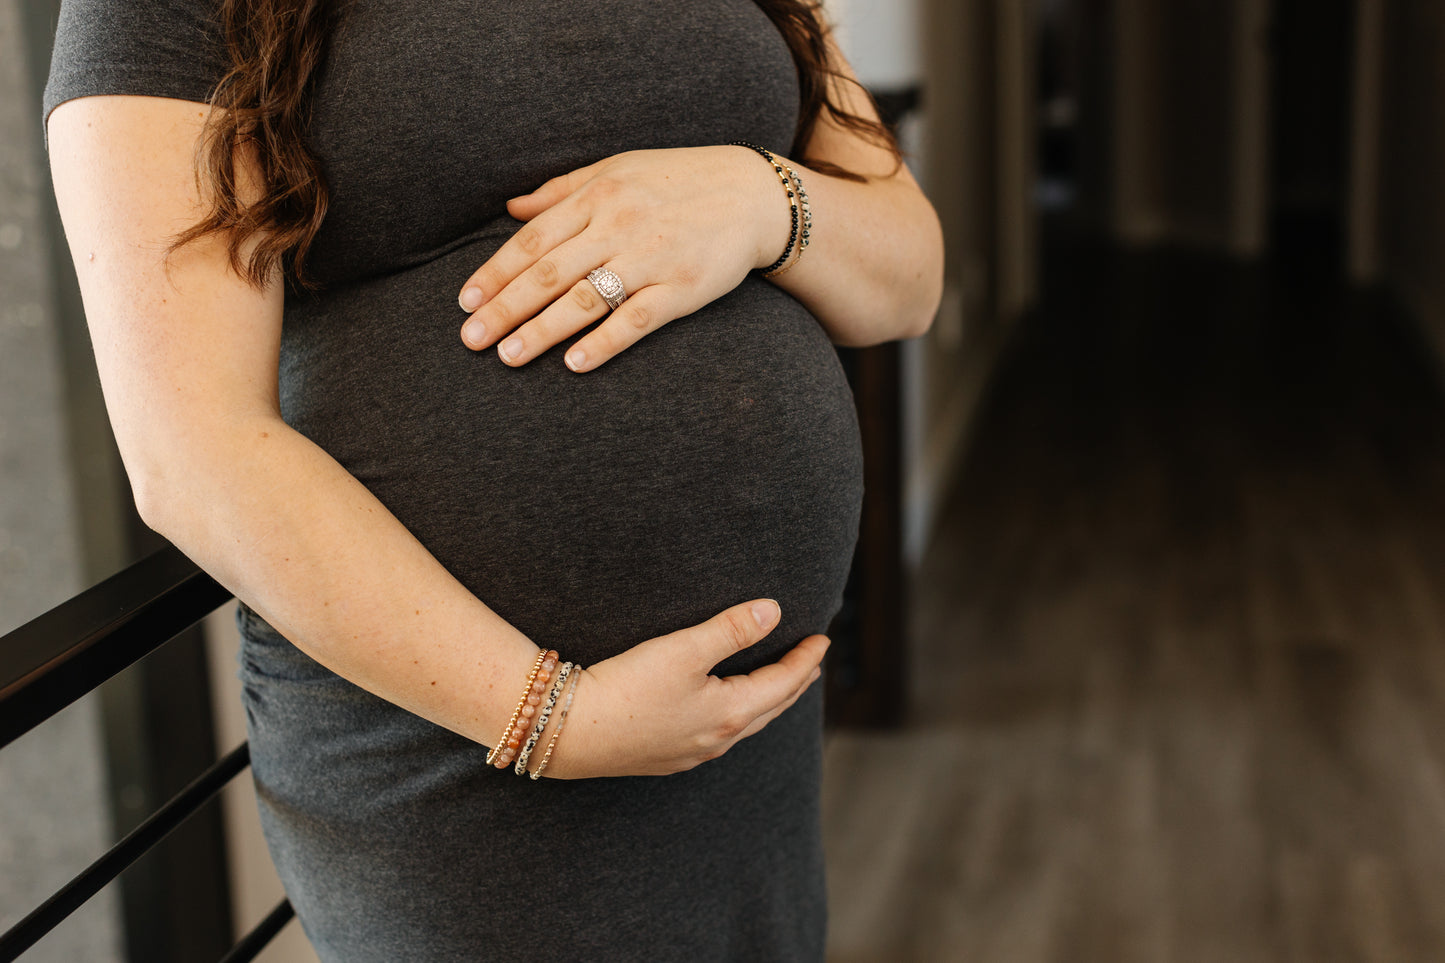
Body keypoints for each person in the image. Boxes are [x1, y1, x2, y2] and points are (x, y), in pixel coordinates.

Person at [43, 0, 943, 959]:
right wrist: (553, 717)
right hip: (455, 735)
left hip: (736, 729)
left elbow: (909, 274)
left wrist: (765, 198)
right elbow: (192, 448)